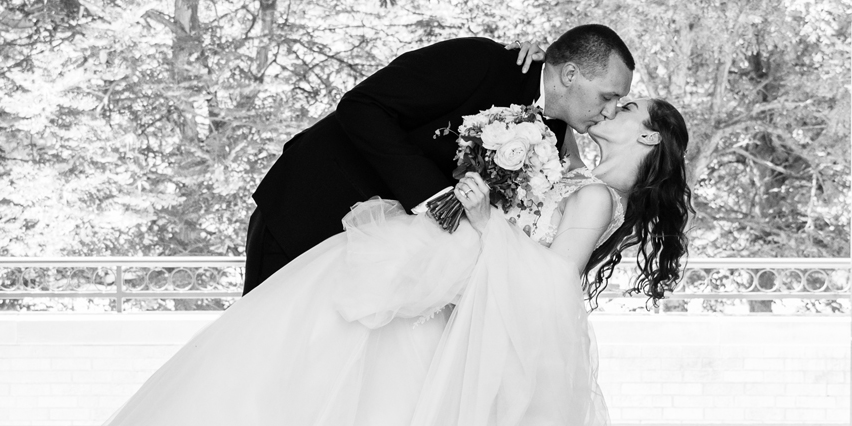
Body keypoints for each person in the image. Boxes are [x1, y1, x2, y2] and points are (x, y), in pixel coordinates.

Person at [78, 97, 693, 426]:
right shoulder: (574, 177)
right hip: (459, 301)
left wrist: (484, 221)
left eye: (629, 106)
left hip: (484, 323)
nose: (613, 107)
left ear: (648, 136)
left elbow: (551, 283)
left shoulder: (594, 196)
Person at [242, 26, 636, 294]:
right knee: (262, 356)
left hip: (384, 264)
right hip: (309, 211)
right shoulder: (481, 62)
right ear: (569, 74)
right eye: (607, 96)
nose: (611, 110)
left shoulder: (553, 135)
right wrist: (440, 199)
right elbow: (362, 107)